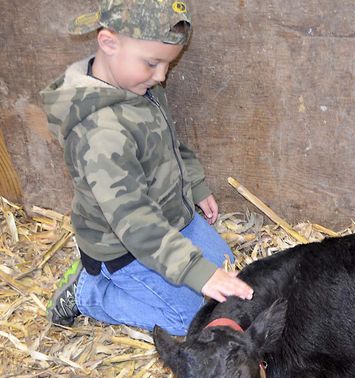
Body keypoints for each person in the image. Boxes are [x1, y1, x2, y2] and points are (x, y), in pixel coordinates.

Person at [40, 0, 253, 336]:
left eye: (167, 64)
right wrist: (197, 271)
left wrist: (195, 184)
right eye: (153, 63)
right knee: (192, 322)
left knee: (227, 269)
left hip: (168, 219)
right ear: (109, 43)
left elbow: (167, 141)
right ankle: (91, 294)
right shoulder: (100, 133)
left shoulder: (139, 86)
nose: (161, 76)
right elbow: (135, 221)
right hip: (125, 246)